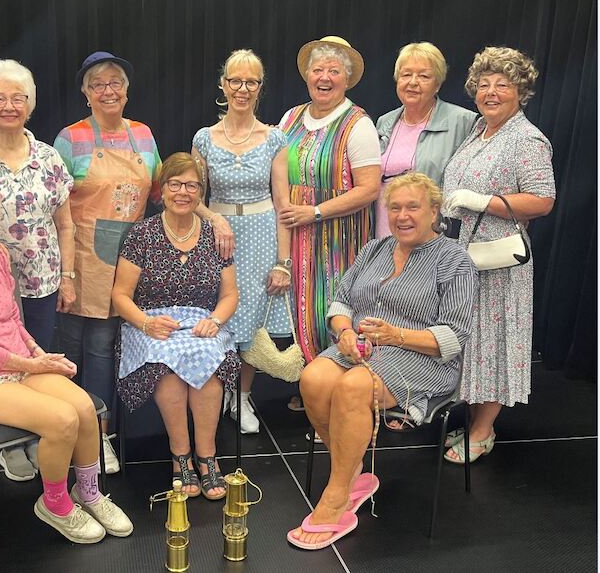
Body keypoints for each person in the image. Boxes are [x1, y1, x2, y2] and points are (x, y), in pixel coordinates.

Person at [0, 165, 133, 544]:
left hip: (18, 365)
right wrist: (32, 364)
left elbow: (12, 320)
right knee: (61, 419)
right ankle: (55, 504)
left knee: (84, 408)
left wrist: (39, 354)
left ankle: (89, 493)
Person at [288, 173, 476, 550]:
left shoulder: (454, 260)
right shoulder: (374, 249)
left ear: (434, 211)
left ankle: (337, 494)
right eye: (395, 208)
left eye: (412, 207)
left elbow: (454, 338)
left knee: (354, 387)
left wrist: (396, 336)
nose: (402, 216)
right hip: (360, 347)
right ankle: (349, 466)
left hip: (421, 357)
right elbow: (341, 303)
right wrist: (344, 333)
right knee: (313, 378)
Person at [0, 59, 76, 482]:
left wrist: (69, 277)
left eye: (18, 98)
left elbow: (65, 224)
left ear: (30, 104)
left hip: (42, 278)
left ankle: (36, 433)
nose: (9, 106)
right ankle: (9, 443)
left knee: (35, 359)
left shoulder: (49, 157)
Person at [441, 47, 556, 463]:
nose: (491, 92)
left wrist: (482, 201)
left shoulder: (526, 138)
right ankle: (473, 419)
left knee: (492, 343)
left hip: (497, 262)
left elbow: (543, 200)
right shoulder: (480, 130)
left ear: (520, 92)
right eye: (484, 84)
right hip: (465, 257)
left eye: (502, 85)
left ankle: (483, 431)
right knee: (472, 342)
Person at [52, 51, 162, 474]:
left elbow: (157, 192)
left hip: (130, 257)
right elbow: (55, 206)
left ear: (127, 90)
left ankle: (99, 435)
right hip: (82, 256)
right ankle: (73, 433)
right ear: (85, 93)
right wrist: (64, 273)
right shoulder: (70, 139)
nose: (108, 91)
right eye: (97, 84)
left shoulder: (143, 135)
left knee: (106, 348)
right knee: (77, 346)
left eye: (115, 82)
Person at [111, 153, 240, 499]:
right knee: (165, 365)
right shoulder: (142, 235)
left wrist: (215, 320)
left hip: (202, 322)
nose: (183, 192)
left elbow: (230, 295)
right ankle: (180, 457)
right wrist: (146, 323)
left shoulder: (215, 236)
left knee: (209, 359)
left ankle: (207, 457)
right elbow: (120, 296)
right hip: (149, 324)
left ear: (201, 192)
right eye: (175, 184)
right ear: (163, 189)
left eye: (192, 186)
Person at [278, 36, 381, 411]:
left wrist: (316, 211)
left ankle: (339, 400)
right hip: (295, 234)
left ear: (347, 79)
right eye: (318, 70)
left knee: (334, 308)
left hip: (340, 239)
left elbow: (369, 189)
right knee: (301, 309)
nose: (325, 77)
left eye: (334, 71)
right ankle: (313, 390)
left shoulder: (358, 124)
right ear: (307, 76)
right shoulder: (290, 118)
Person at [191, 49, 291, 434]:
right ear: (223, 84)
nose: (243, 89)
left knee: (251, 314)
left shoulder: (274, 138)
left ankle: (242, 395)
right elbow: (191, 197)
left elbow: (282, 202)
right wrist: (214, 219)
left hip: (261, 233)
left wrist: (282, 262)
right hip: (217, 235)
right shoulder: (204, 138)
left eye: (251, 82)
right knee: (218, 312)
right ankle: (216, 391)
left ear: (260, 87)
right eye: (236, 80)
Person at [374, 42, 477, 238]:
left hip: (430, 234)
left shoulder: (463, 122)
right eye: (406, 75)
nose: (413, 82)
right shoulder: (384, 121)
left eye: (424, 76)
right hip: (384, 225)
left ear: (437, 84)